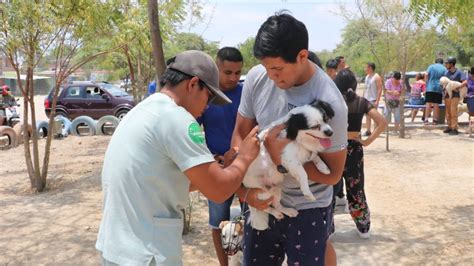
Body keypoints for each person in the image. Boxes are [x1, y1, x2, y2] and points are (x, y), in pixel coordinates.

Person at [95, 50, 261, 265]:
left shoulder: (145, 110)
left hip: (118, 248)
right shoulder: (176, 118)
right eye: (208, 97)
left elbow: (174, 179)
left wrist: (222, 167)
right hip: (146, 254)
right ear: (193, 84)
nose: (207, 106)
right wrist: (244, 158)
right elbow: (218, 191)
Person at [230, 13, 348, 266]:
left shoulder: (329, 101)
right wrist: (245, 191)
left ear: (302, 56)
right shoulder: (256, 78)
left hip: (308, 209)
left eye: (278, 69)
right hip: (260, 198)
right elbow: (240, 136)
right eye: (267, 68)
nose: (272, 76)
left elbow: (333, 174)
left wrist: (281, 160)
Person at [197, 47, 244, 266]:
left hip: (246, 168)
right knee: (218, 223)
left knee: (252, 221)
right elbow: (192, 133)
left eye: (237, 72)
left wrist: (240, 154)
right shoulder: (204, 96)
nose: (234, 77)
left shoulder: (246, 94)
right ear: (217, 68)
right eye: (228, 72)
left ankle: (248, 260)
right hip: (215, 169)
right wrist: (210, 157)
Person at [334, 69, 387, 238]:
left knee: (328, 188)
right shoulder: (362, 102)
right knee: (356, 189)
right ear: (355, 85)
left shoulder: (331, 103)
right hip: (355, 151)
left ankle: (327, 228)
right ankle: (363, 227)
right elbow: (382, 122)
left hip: (334, 150)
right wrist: (366, 141)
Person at [443, 57, 467, 135]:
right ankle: (449, 126)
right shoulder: (446, 73)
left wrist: (458, 87)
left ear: (452, 64)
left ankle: (454, 128)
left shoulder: (459, 72)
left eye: (447, 63)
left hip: (455, 95)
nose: (446, 65)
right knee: (447, 112)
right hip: (447, 95)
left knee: (453, 111)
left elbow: (465, 81)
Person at [424, 58, 447, 125]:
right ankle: (435, 120)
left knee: (428, 104)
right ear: (442, 63)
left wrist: (427, 83)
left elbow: (426, 74)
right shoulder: (444, 69)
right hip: (438, 88)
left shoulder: (431, 66)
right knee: (436, 105)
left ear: (435, 62)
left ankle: (426, 119)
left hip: (430, 88)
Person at [363, 62, 383, 136]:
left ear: (370, 68)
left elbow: (379, 88)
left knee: (374, 117)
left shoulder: (376, 76)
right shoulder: (367, 76)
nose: (365, 69)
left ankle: (376, 132)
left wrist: (377, 100)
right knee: (367, 116)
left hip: (373, 99)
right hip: (366, 99)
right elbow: (365, 88)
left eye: (366, 67)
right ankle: (368, 131)